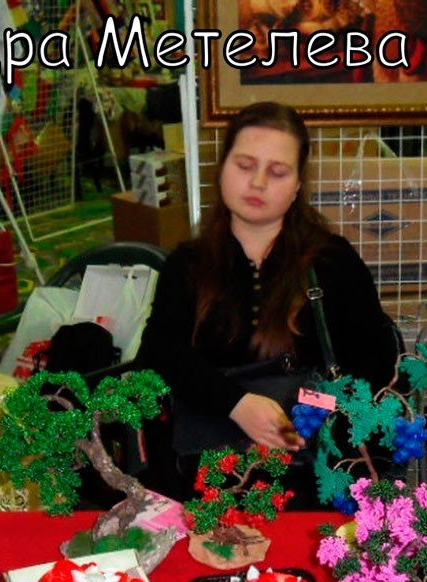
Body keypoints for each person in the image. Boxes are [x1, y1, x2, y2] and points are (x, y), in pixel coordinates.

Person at [136, 101, 400, 470]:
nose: (258, 182)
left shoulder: (332, 262)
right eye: (245, 166)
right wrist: (236, 404)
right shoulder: (188, 264)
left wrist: (307, 410)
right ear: (221, 169)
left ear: (297, 187)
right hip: (212, 473)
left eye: (277, 172)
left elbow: (376, 363)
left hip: (316, 471)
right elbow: (160, 353)